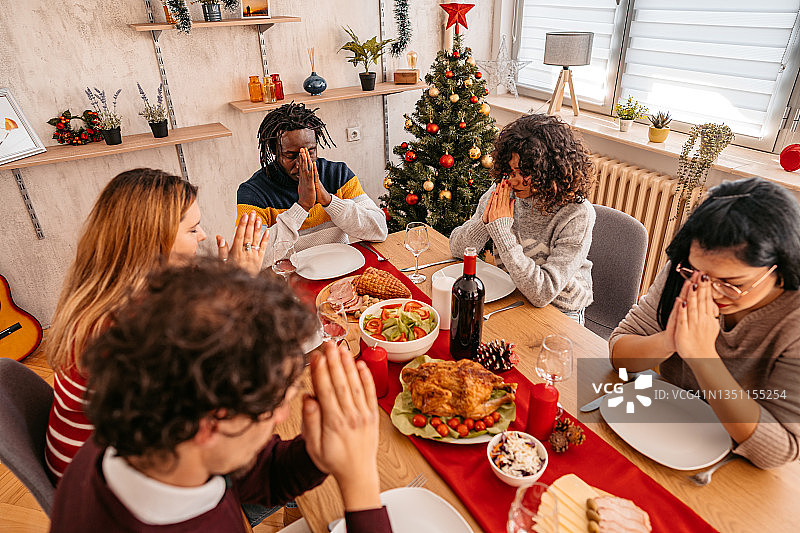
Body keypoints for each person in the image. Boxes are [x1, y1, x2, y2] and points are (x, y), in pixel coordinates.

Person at [49, 259, 390, 533]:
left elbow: (258, 475)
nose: (283, 416)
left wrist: (314, 455)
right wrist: (360, 483)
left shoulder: (137, 435)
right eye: (273, 405)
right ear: (211, 425)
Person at [44, 168, 268, 483]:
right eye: (193, 230)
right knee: (260, 453)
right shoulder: (125, 324)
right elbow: (218, 385)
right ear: (154, 242)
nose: (203, 236)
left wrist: (223, 289)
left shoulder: (106, 289)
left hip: (101, 452)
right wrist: (241, 293)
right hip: (102, 482)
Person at [610, 177, 800, 469]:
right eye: (700, 274)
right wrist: (668, 340)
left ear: (781, 267)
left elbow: (779, 450)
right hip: (661, 430)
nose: (708, 291)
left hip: (734, 466)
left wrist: (703, 358)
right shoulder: (689, 272)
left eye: (731, 283)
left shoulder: (793, 320)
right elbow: (620, 357)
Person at [449, 113, 596, 323]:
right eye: (509, 170)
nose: (512, 179)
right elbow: (457, 249)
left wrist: (500, 230)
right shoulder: (504, 190)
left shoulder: (576, 214)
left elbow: (543, 293)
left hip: (560, 309)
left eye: (523, 172)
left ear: (549, 171)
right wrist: (486, 221)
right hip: (513, 292)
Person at [237, 102, 388, 251]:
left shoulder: (338, 174)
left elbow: (379, 231)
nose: (301, 163)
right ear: (275, 152)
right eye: (290, 155)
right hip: (287, 274)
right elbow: (248, 255)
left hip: (340, 269)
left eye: (310, 152)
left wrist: (328, 200)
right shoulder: (253, 192)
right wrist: (302, 207)